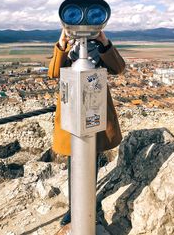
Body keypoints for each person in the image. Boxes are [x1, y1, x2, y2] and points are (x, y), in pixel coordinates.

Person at [48, 29, 125, 226]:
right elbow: (54, 72)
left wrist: (104, 41)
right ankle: (74, 209)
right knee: (73, 163)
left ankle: (89, 205)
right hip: (71, 112)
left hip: (94, 110)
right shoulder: (68, 51)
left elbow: (118, 68)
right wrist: (62, 43)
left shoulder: (101, 50)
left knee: (92, 161)